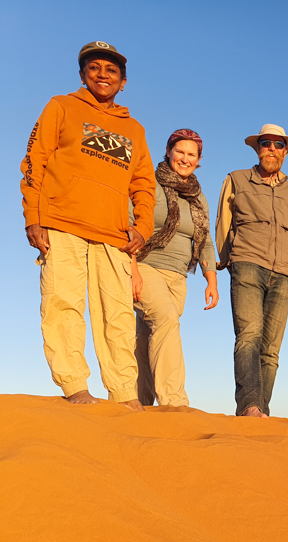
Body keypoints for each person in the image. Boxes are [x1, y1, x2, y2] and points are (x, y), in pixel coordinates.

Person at [20, 41, 156, 411]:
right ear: (82, 74)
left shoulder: (135, 129)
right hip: (61, 223)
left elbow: (144, 184)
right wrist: (33, 216)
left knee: (118, 315)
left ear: (123, 82)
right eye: (94, 68)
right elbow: (34, 160)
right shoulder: (61, 106)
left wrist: (142, 226)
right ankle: (75, 385)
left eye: (111, 70)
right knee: (62, 304)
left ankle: (125, 392)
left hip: (113, 234)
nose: (102, 74)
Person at [215, 124, 288, 418]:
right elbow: (223, 224)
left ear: (285, 152)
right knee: (249, 336)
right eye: (266, 143)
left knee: (272, 349)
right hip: (247, 263)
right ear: (257, 148)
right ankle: (249, 406)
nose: (272, 150)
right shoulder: (237, 179)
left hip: (285, 271)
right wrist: (230, 262)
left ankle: (262, 410)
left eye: (279, 145)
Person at [130, 129, 218, 406]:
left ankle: (138, 401)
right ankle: (174, 401)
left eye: (191, 154)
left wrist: (211, 280)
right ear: (168, 152)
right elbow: (128, 225)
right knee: (167, 321)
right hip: (145, 265)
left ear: (199, 160)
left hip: (179, 275)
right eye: (179, 151)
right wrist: (131, 269)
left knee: (147, 335)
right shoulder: (149, 183)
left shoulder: (197, 197)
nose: (185, 158)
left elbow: (205, 240)